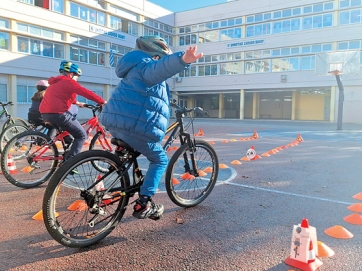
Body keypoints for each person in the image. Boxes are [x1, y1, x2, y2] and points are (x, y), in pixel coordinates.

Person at [100, 36, 203, 220]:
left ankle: (115, 177)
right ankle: (144, 204)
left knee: (130, 150)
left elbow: (149, 92)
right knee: (160, 159)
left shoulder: (132, 67)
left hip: (115, 122)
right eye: (161, 58)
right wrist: (182, 60)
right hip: (135, 127)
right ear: (156, 55)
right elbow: (160, 69)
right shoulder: (147, 66)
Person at [39, 61, 106, 161]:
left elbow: (63, 96)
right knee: (81, 135)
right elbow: (86, 92)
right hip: (58, 114)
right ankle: (70, 162)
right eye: (77, 76)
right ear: (71, 74)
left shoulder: (56, 82)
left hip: (45, 113)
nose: (77, 79)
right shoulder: (69, 81)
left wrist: (77, 103)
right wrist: (102, 101)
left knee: (71, 117)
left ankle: (67, 144)